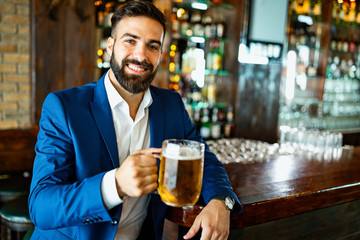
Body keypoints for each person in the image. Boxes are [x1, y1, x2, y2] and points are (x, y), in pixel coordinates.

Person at [28, 1, 241, 239]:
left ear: (161, 55)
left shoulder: (171, 104)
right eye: (130, 40)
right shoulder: (64, 107)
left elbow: (205, 160)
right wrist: (115, 184)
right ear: (110, 45)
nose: (140, 55)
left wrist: (221, 201)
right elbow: (41, 206)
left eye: (152, 46)